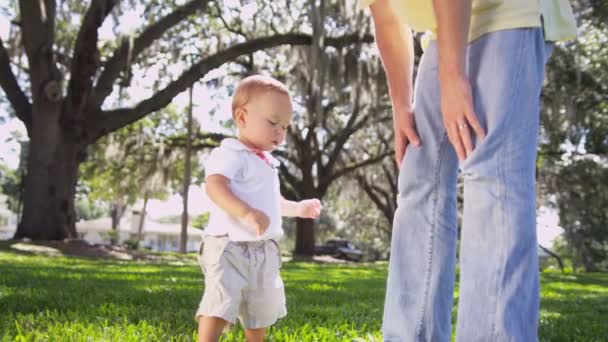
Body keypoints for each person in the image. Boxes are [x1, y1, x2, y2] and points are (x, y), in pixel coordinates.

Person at [362, 0, 577, 340]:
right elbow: (385, 14)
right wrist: (401, 105)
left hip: (507, 12)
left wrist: (454, 75)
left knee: (493, 174)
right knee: (419, 181)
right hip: (444, 31)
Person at [195, 75, 322, 342]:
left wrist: (299, 209)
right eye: (273, 123)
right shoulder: (231, 153)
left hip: (263, 250)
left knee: (260, 310)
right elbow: (215, 186)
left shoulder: (267, 163)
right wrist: (246, 213)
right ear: (241, 118)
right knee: (220, 302)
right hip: (228, 247)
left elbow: (273, 203)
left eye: (285, 126)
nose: (280, 132)